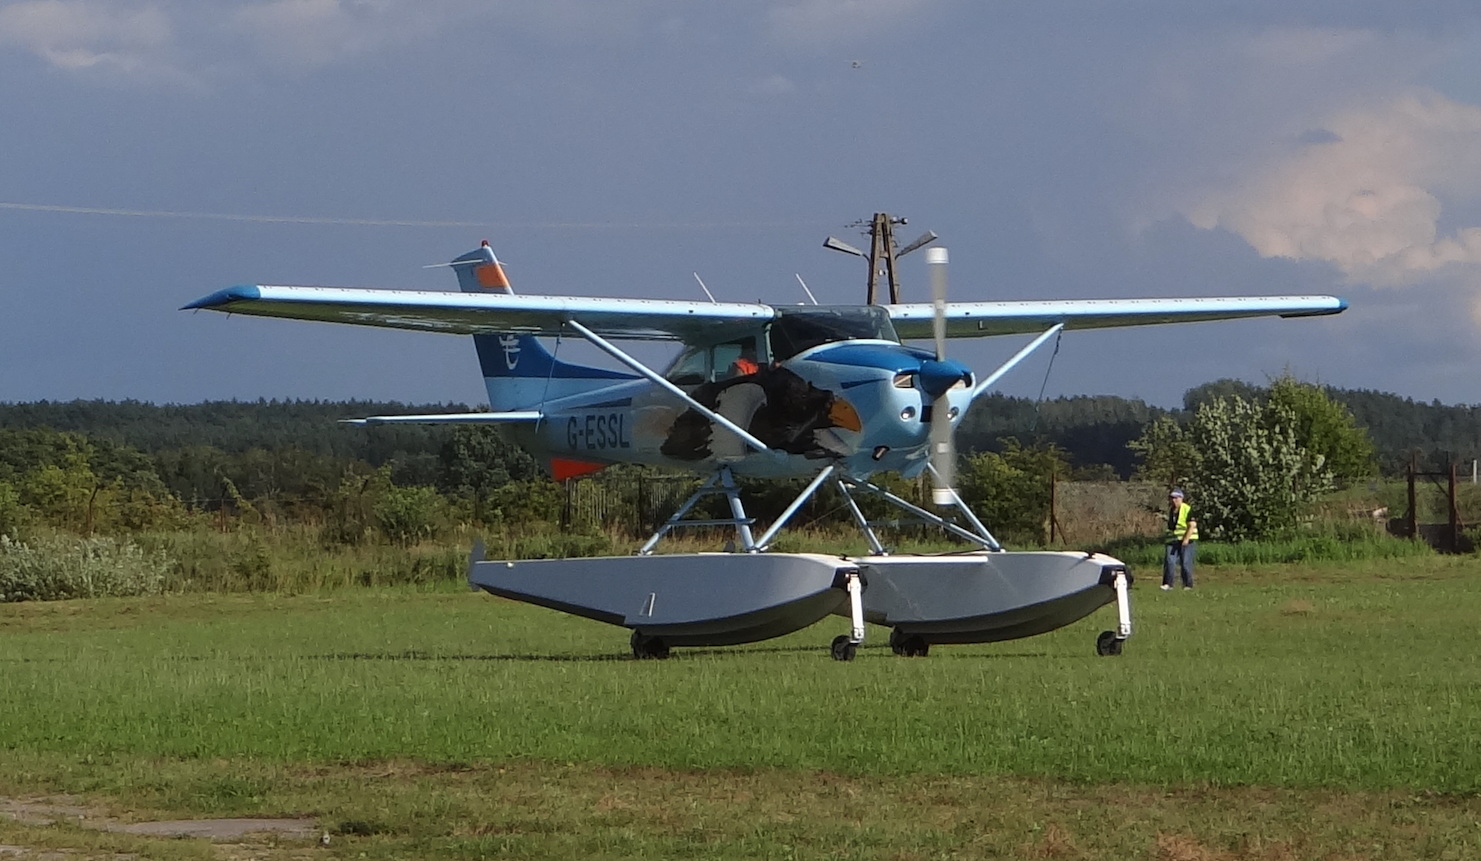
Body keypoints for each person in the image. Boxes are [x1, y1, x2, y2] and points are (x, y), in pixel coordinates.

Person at [1162, 489, 1197, 591]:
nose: (1174, 500)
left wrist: (1186, 539)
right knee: (1169, 562)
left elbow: (1192, 525)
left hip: (1187, 540)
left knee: (1185, 563)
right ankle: (1168, 584)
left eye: (1176, 498)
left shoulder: (1187, 509)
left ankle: (1188, 584)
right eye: (1172, 498)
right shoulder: (1171, 510)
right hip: (1173, 540)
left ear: (1181, 498)